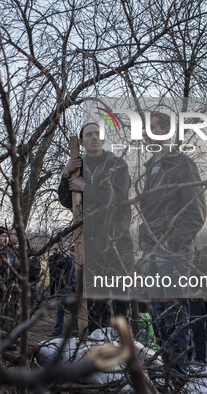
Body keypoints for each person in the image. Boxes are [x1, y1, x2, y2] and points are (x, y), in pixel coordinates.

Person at [137, 112, 207, 375]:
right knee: (157, 310)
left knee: (175, 310)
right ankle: (168, 368)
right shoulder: (150, 168)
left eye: (152, 128)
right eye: (145, 130)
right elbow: (150, 210)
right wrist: (145, 234)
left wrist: (174, 242)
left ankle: (178, 374)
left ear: (166, 132)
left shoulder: (182, 163)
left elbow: (197, 210)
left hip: (172, 250)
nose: (146, 134)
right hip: (151, 248)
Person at [58, 122, 134, 330]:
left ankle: (123, 345)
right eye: (89, 135)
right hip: (89, 240)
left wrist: (86, 188)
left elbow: (118, 199)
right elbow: (68, 201)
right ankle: (98, 343)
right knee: (95, 298)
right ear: (81, 142)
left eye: (97, 134)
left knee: (120, 296)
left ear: (102, 139)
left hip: (117, 238)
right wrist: (66, 175)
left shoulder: (117, 164)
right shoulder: (77, 167)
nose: (93, 137)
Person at [49, 246, 77, 336]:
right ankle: (58, 331)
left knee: (73, 312)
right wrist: (57, 255)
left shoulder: (78, 262)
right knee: (60, 311)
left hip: (73, 291)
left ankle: (74, 331)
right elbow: (57, 264)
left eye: (74, 251)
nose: (72, 253)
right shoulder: (66, 261)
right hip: (63, 289)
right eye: (71, 251)